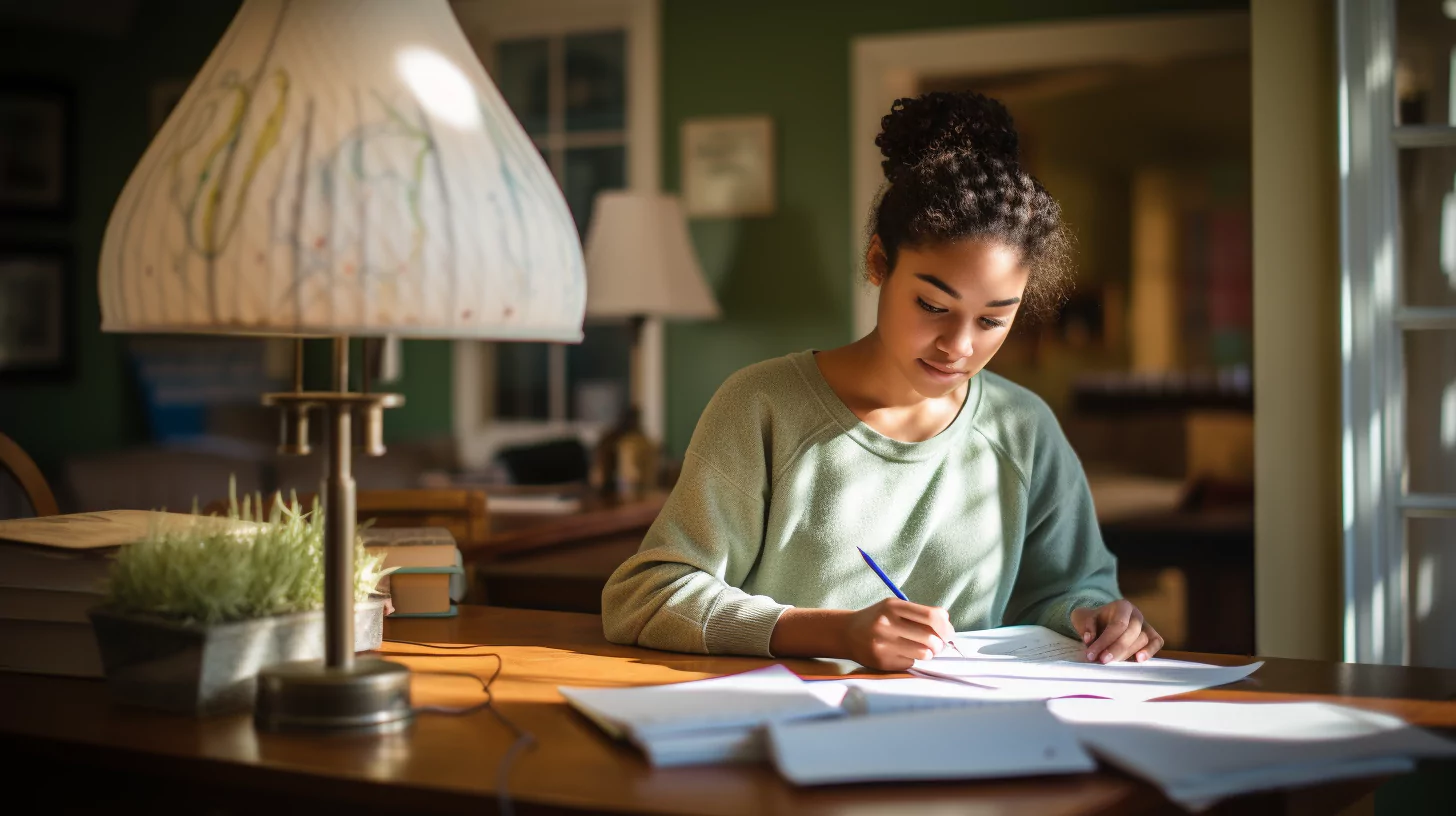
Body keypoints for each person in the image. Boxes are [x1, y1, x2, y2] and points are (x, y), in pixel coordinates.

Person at [601, 91, 1163, 670]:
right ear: (878, 262)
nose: (960, 347)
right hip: (789, 732)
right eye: (932, 304)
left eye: (994, 319)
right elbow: (644, 598)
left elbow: (1068, 589)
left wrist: (1097, 617)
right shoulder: (763, 406)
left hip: (967, 736)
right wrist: (830, 634)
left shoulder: (1023, 428)